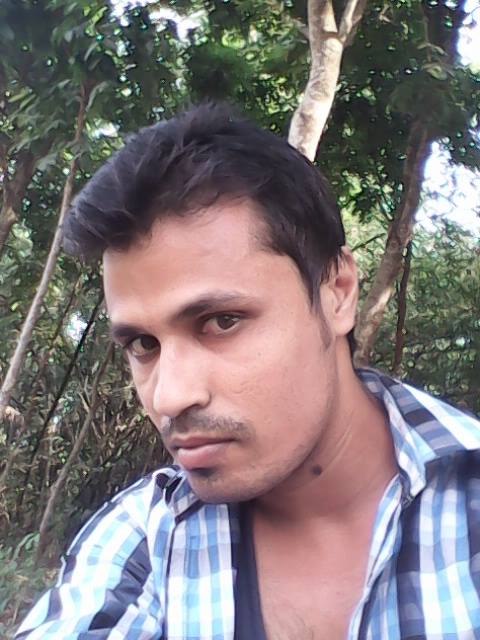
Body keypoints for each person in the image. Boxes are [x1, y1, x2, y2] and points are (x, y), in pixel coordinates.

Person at [16, 102, 480, 640]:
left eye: (221, 321)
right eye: (143, 344)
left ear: (337, 293)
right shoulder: (145, 542)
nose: (169, 397)